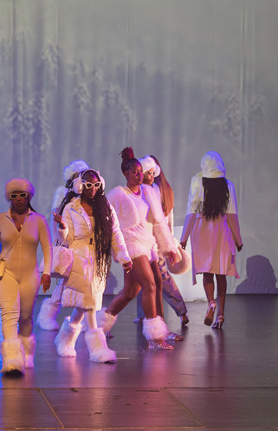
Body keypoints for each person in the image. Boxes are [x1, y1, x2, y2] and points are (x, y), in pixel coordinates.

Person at [101, 148, 181, 350]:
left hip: (148, 244)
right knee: (150, 284)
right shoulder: (117, 195)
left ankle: (98, 328)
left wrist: (168, 247)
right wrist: (114, 252)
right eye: (134, 172)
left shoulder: (148, 192)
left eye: (140, 171)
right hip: (131, 246)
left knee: (131, 292)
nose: (139, 175)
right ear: (126, 173)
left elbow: (159, 223)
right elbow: (105, 223)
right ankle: (154, 337)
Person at [52, 169, 132, 362]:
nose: (92, 188)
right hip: (79, 258)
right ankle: (98, 349)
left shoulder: (106, 207)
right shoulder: (71, 208)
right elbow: (67, 240)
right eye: (88, 184)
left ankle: (64, 340)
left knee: (84, 304)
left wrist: (124, 257)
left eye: (96, 184)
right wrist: (62, 227)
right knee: (88, 304)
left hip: (98, 260)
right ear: (80, 185)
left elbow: (115, 234)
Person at [0, 179, 52, 374]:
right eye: (14, 195)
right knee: (9, 314)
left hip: (30, 275)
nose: (19, 199)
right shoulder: (0, 219)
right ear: (9, 198)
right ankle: (12, 359)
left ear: (29, 196)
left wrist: (47, 272)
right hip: (6, 274)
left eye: (22, 195)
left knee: (25, 317)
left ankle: (26, 354)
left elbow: (47, 247)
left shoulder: (39, 220)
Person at [180, 151, 243, 329]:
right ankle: (221, 314)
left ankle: (211, 303)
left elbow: (191, 212)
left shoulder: (197, 181)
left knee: (207, 272)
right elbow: (232, 215)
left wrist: (184, 238)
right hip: (222, 231)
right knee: (221, 273)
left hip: (202, 231)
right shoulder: (228, 185)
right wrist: (238, 240)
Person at [134, 156, 189, 327]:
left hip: (153, 239)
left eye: (151, 172)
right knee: (146, 277)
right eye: (147, 172)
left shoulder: (152, 190)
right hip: (155, 239)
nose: (150, 175)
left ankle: (179, 311)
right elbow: (167, 220)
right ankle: (144, 314)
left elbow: (158, 220)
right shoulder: (163, 188)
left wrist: (167, 243)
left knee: (159, 277)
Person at [38, 159, 90, 331]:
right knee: (66, 283)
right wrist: (59, 243)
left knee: (85, 284)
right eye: (79, 176)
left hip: (83, 246)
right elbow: (56, 219)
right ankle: (47, 316)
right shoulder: (63, 194)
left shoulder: (88, 196)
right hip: (68, 243)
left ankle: (85, 321)